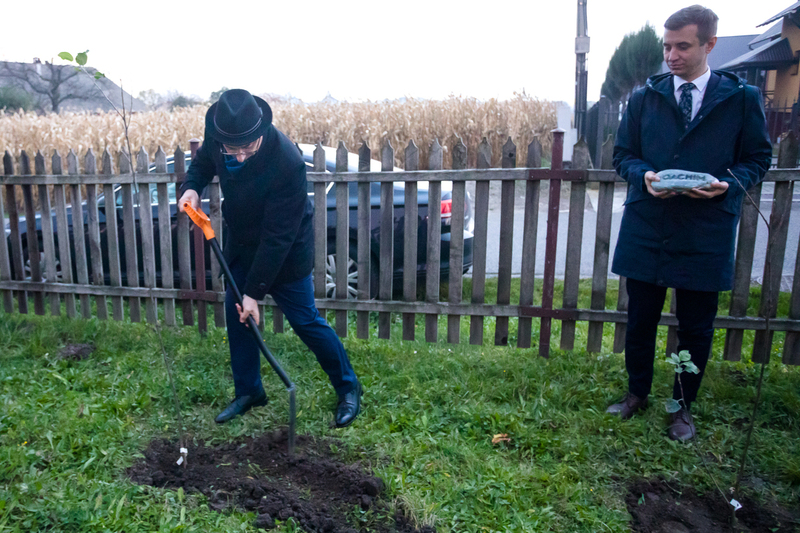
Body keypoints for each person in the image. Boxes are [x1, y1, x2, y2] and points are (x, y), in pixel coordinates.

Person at [606, 5, 771, 441]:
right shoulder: (644, 98)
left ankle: (681, 409)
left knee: (696, 328)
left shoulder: (741, 99)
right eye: (667, 46)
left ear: (709, 44)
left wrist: (728, 185)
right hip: (647, 226)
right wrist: (644, 175)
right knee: (640, 321)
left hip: (705, 230)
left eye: (682, 46)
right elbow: (623, 155)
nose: (671, 56)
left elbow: (758, 158)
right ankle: (636, 394)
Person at [178, 89, 362, 427]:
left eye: (248, 148)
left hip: (286, 251)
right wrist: (191, 187)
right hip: (242, 243)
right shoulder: (219, 134)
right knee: (237, 317)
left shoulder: (287, 162)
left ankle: (348, 387)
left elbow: (278, 238)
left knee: (306, 321)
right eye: (233, 149)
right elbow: (203, 164)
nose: (240, 157)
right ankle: (249, 392)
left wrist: (253, 293)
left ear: (261, 131)